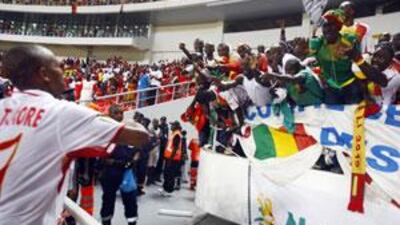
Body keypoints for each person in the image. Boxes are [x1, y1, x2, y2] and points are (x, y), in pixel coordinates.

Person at [0, 45, 149, 225]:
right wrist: (117, 119)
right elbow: (140, 137)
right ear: (44, 74)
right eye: (57, 66)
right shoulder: (63, 113)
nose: (64, 71)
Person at [310, 9, 387, 104]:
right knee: (332, 115)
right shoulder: (317, 43)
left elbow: (359, 66)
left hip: (350, 86)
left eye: (331, 25)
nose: (328, 29)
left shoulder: (350, 40)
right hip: (330, 88)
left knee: (352, 115)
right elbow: (313, 64)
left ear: (338, 26)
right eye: (325, 25)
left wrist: (365, 92)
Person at [99, 105, 139, 225]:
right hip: (110, 173)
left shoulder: (128, 131)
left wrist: (134, 158)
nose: (120, 115)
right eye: (116, 113)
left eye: (121, 113)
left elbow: (137, 149)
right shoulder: (104, 131)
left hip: (127, 173)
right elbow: (100, 153)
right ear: (110, 114)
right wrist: (109, 162)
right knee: (108, 201)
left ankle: (132, 222)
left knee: (131, 201)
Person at [159, 121, 183, 196]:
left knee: (170, 175)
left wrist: (170, 159)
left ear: (176, 126)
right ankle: (165, 188)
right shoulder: (174, 133)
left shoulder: (177, 135)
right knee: (167, 174)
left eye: (172, 125)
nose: (171, 126)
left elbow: (175, 147)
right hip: (170, 158)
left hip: (173, 159)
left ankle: (169, 191)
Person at [146, 118, 160, 185]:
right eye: (155, 122)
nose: (156, 123)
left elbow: (160, 139)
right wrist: (155, 143)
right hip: (151, 149)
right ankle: (149, 180)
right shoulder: (150, 130)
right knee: (150, 164)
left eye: (157, 122)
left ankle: (152, 179)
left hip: (157, 149)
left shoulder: (160, 130)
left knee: (154, 165)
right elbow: (150, 140)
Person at [155, 116, 168, 182]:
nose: (162, 121)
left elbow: (166, 137)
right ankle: (154, 176)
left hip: (163, 146)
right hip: (158, 146)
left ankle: (158, 176)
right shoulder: (159, 127)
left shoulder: (166, 127)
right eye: (161, 120)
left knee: (160, 162)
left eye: (163, 120)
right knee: (156, 162)